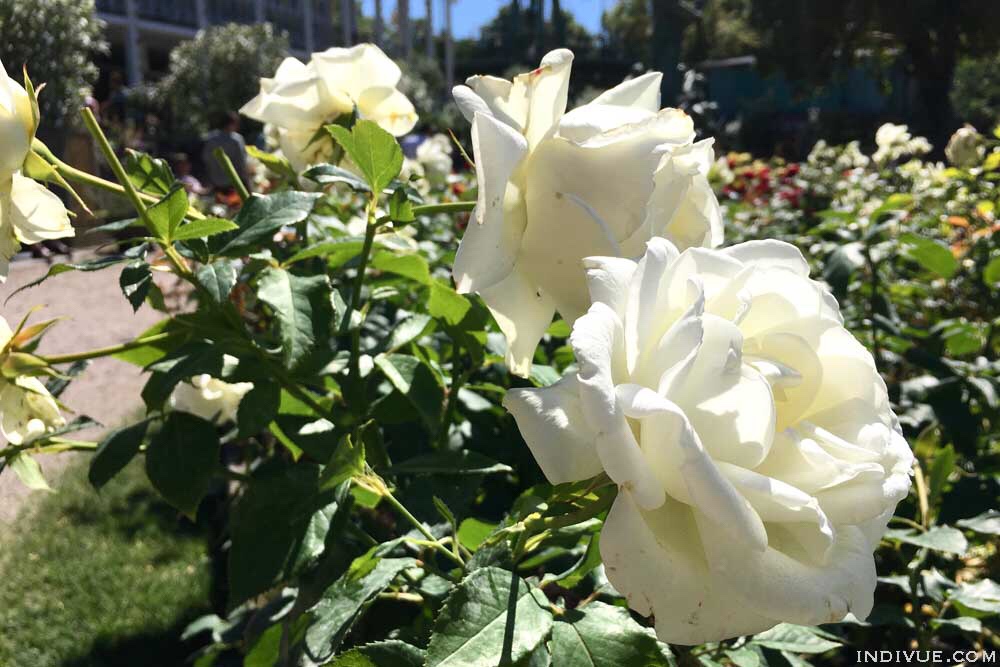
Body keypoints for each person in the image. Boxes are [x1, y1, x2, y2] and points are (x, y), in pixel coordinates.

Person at [201, 111, 250, 194]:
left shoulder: (211, 138)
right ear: (232, 124)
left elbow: (206, 158)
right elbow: (242, 162)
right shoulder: (236, 140)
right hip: (233, 183)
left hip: (214, 181)